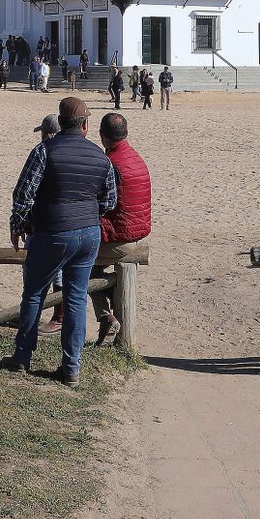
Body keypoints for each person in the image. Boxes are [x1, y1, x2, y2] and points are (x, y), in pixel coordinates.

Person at [3, 97, 118, 387]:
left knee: (34, 294)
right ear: (85, 126)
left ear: (61, 121)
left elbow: (23, 195)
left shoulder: (44, 151)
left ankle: (22, 356)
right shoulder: (101, 157)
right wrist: (87, 212)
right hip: (89, 232)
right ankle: (72, 368)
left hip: (52, 231)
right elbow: (109, 200)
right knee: (76, 298)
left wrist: (18, 225)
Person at [91, 111, 150, 345]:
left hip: (119, 239)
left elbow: (103, 203)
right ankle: (114, 319)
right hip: (138, 232)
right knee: (103, 271)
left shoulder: (111, 164)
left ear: (102, 136)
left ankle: (107, 318)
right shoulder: (136, 158)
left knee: (84, 266)